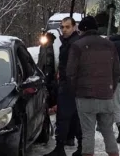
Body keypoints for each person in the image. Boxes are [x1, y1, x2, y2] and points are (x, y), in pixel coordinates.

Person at [66, 16, 120, 156]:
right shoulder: (110, 45)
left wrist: (75, 91)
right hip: (106, 96)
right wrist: (110, 89)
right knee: (108, 131)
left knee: (88, 133)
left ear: (83, 29)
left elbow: (70, 73)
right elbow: (117, 72)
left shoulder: (77, 46)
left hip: (85, 96)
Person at [44, 16, 83, 156]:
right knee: (72, 117)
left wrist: (66, 81)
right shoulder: (66, 43)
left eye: (67, 27)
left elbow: (74, 66)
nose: (64, 30)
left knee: (65, 117)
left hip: (70, 86)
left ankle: (63, 147)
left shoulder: (74, 44)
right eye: (62, 27)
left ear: (74, 27)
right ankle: (71, 146)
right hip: (68, 84)